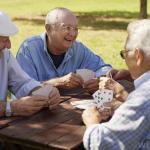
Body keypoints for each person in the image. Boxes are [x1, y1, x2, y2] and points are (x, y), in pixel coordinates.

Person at [82, 19, 150, 150]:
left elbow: (103, 144)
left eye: (124, 54)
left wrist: (91, 120)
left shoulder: (144, 96)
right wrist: (124, 105)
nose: (124, 60)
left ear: (138, 56)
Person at [16, 7, 112, 93]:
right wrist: (57, 82)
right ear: (49, 29)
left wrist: (99, 80)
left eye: (76, 29)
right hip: (34, 110)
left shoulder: (78, 48)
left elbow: (104, 68)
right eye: (67, 28)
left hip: (67, 108)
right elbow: (23, 89)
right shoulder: (29, 49)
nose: (73, 33)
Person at [0, 11, 60, 117]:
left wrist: (43, 91)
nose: (9, 45)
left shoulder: (4, 55)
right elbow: (12, 106)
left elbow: (22, 82)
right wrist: (12, 107)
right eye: (4, 40)